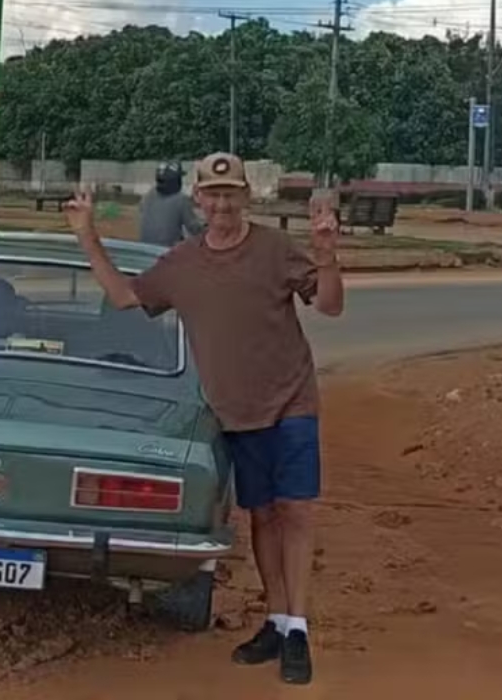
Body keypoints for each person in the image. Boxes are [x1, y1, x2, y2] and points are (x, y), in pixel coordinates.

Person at [64, 152, 343, 685]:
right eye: (213, 195)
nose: (222, 204)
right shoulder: (182, 265)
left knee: (298, 512)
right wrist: (87, 235)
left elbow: (329, 306)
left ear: (246, 197)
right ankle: (276, 620)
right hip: (236, 413)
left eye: (231, 194)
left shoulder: (275, 249)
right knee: (261, 516)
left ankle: (300, 629)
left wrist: (328, 256)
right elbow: (124, 297)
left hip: (292, 401)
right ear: (198, 198)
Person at [138, 160, 204, 247]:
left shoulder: (149, 194)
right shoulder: (181, 199)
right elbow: (195, 229)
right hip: (167, 252)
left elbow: (143, 212)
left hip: (145, 249)